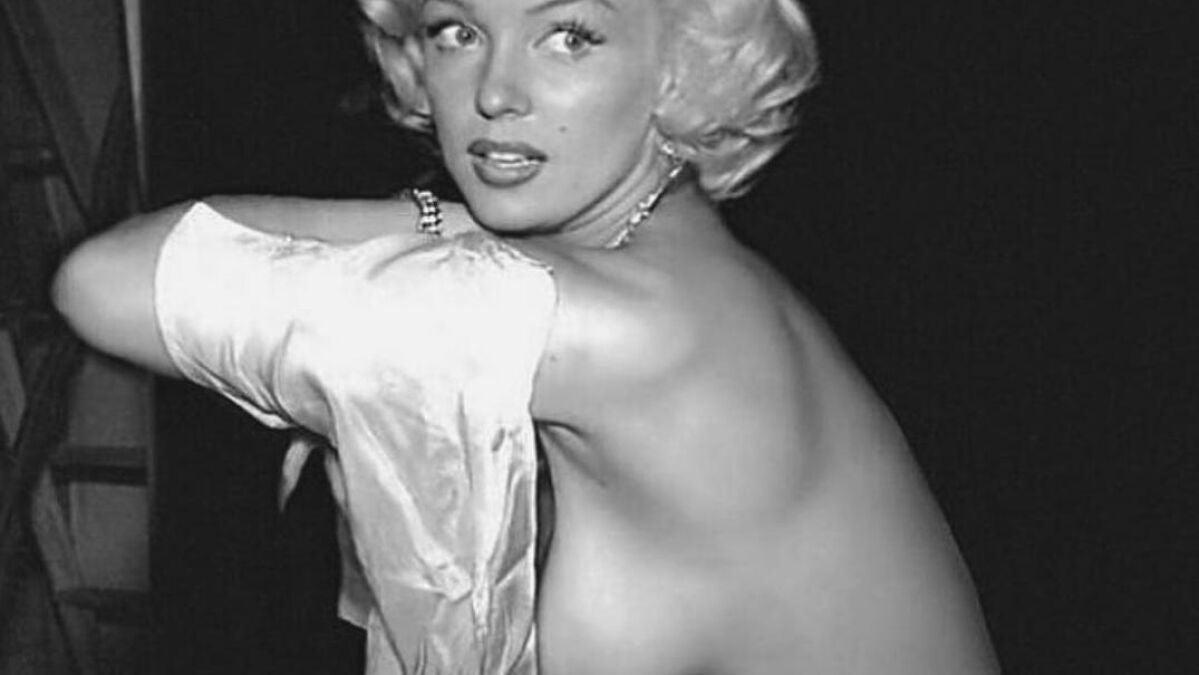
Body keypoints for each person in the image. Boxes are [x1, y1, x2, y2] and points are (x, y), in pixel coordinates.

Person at [54, 0, 1000, 672]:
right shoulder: (678, 272)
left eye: (568, 34)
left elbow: (108, 282)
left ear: (680, 64)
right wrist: (456, 222)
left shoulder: (626, 330)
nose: (495, 91)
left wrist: (445, 224)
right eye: (457, 31)